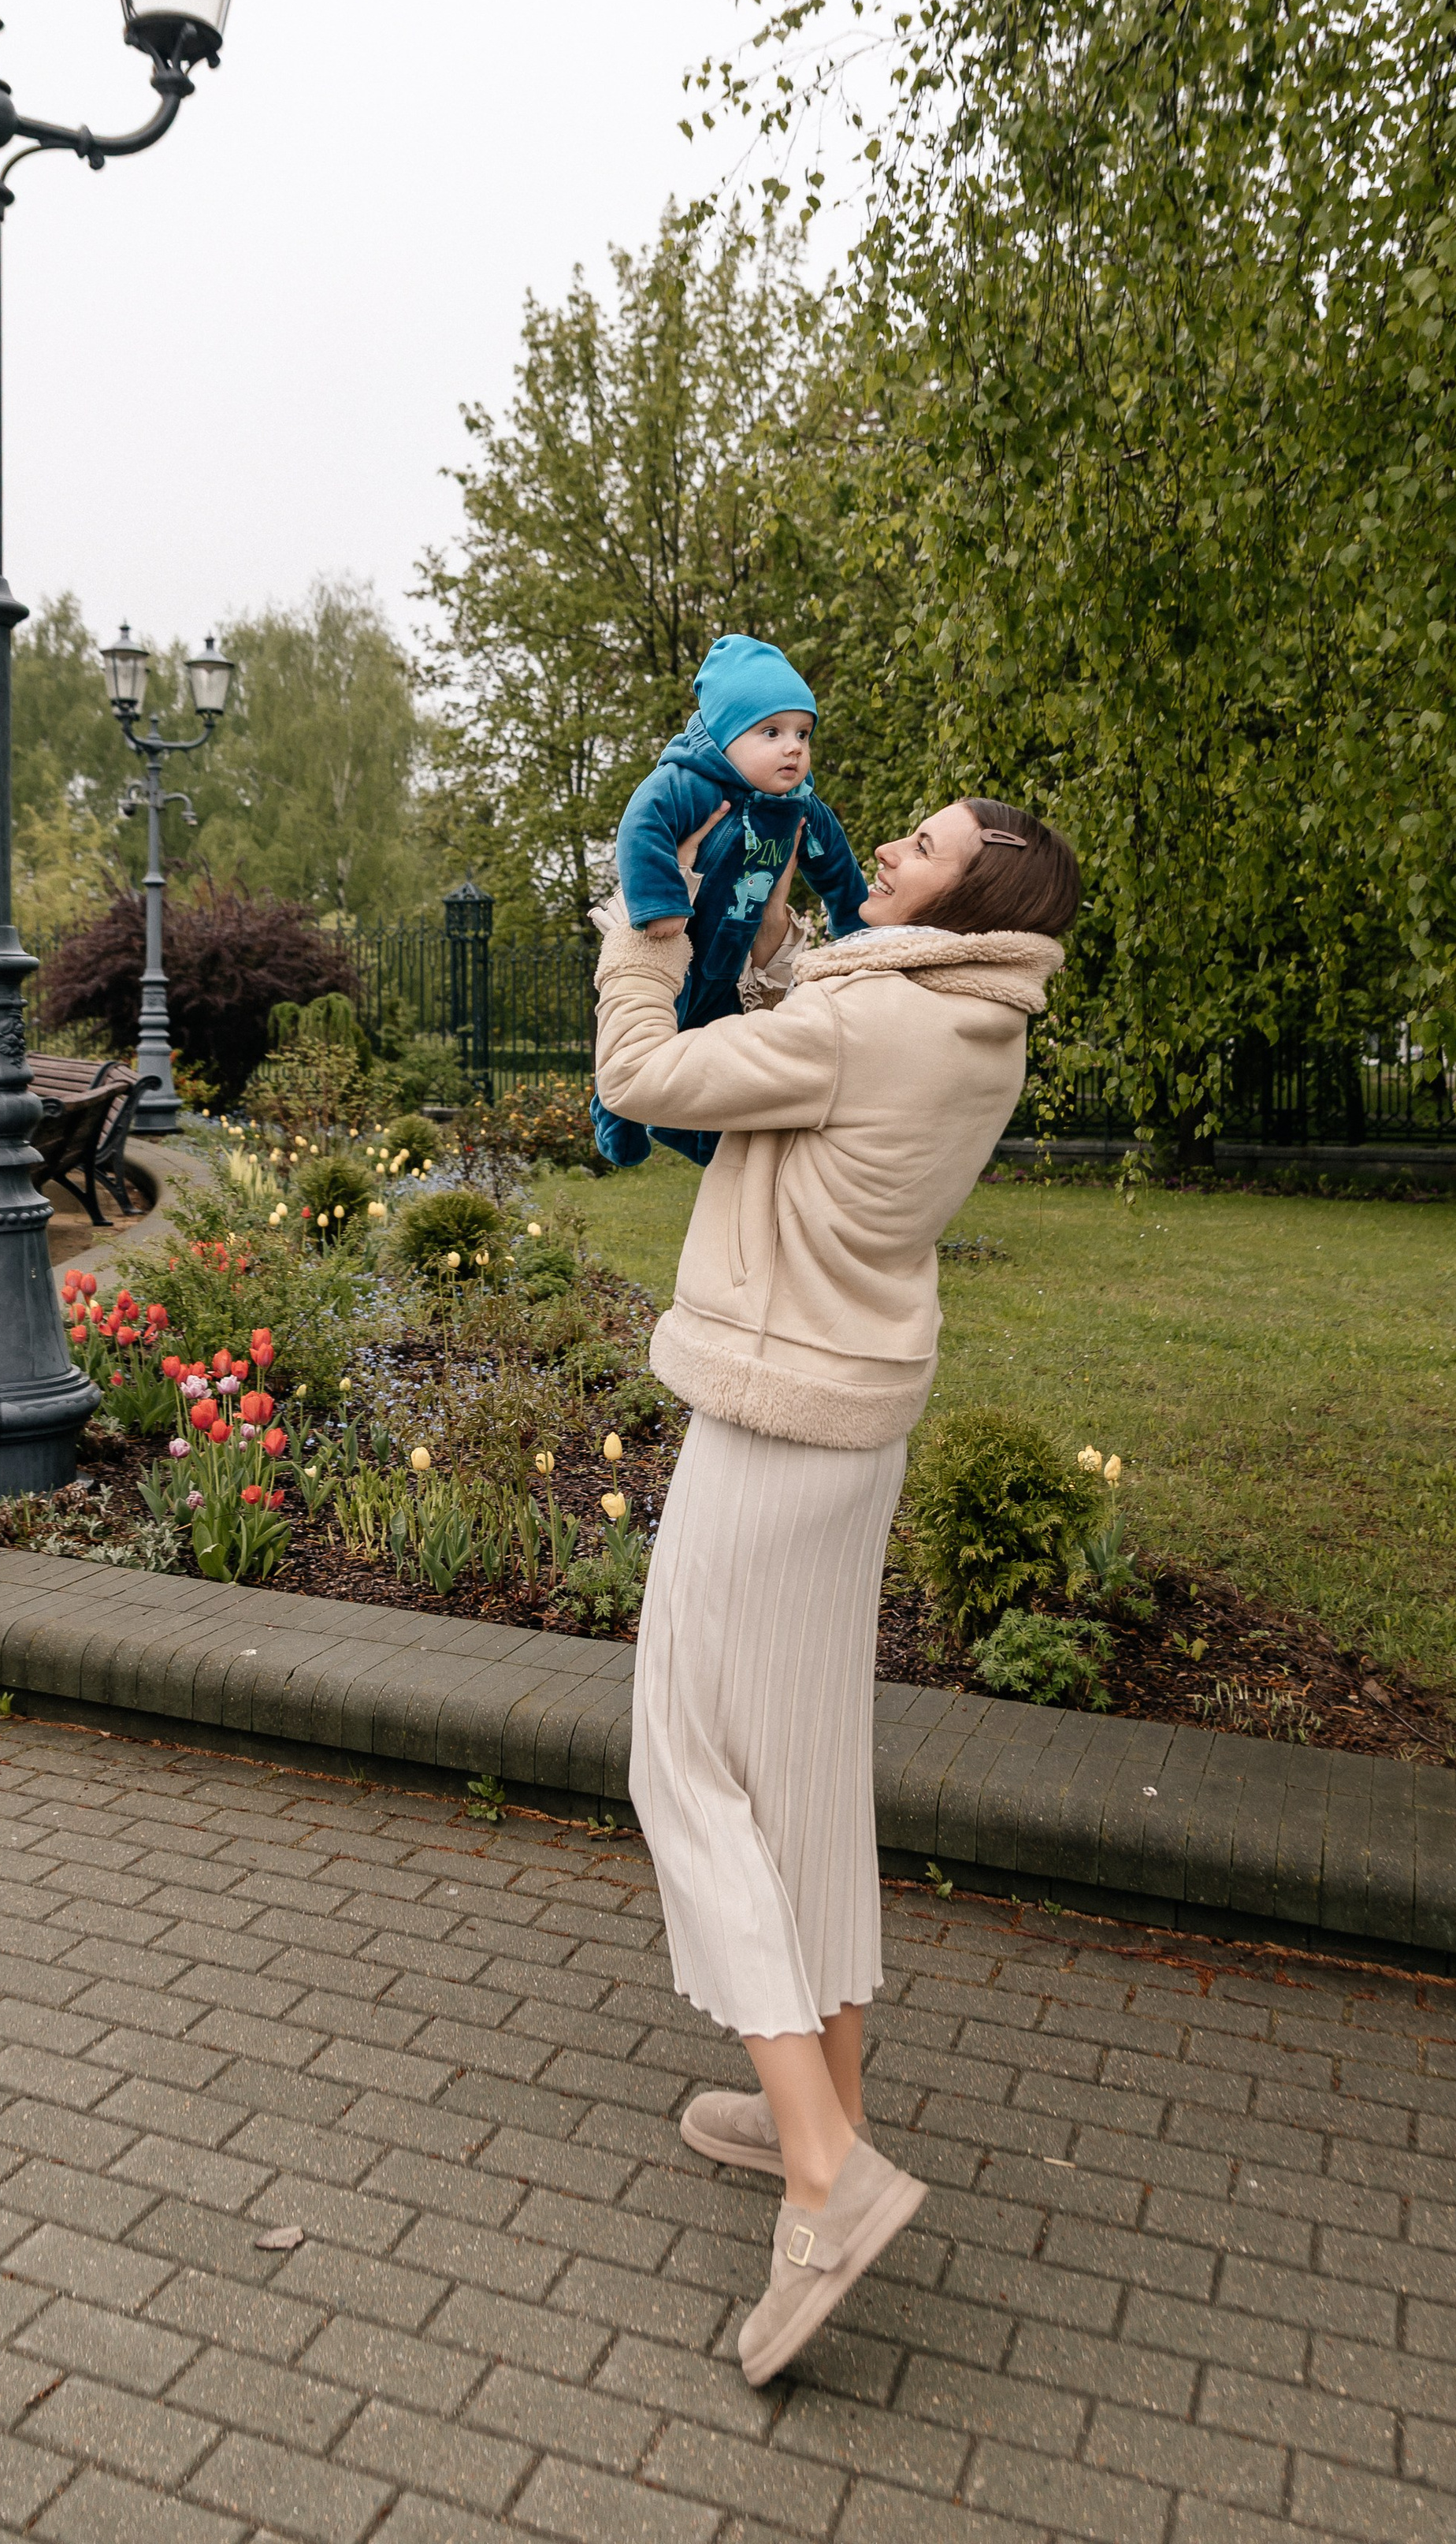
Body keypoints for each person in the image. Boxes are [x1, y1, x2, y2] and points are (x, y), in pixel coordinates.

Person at [593, 790, 1081, 2383]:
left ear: (966, 903)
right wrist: (784, 948)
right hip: (853, 1430)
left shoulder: (864, 1027)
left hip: (767, 1427)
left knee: (683, 1765)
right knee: (803, 1782)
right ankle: (831, 2103)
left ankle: (824, 2169)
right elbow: (817, 1047)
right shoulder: (974, 1025)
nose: (893, 852)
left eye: (923, 850)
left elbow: (641, 1075)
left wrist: (645, 930)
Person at [590, 634, 867, 1171]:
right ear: (723, 737)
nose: (794, 747)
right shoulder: (689, 784)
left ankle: (703, 1144)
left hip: (731, 964)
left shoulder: (800, 807)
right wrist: (661, 901)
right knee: (645, 1042)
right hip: (675, 953)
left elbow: (838, 870)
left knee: (714, 1061)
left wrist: (857, 931)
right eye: (771, 732)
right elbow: (641, 827)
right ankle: (615, 1120)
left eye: (803, 733)